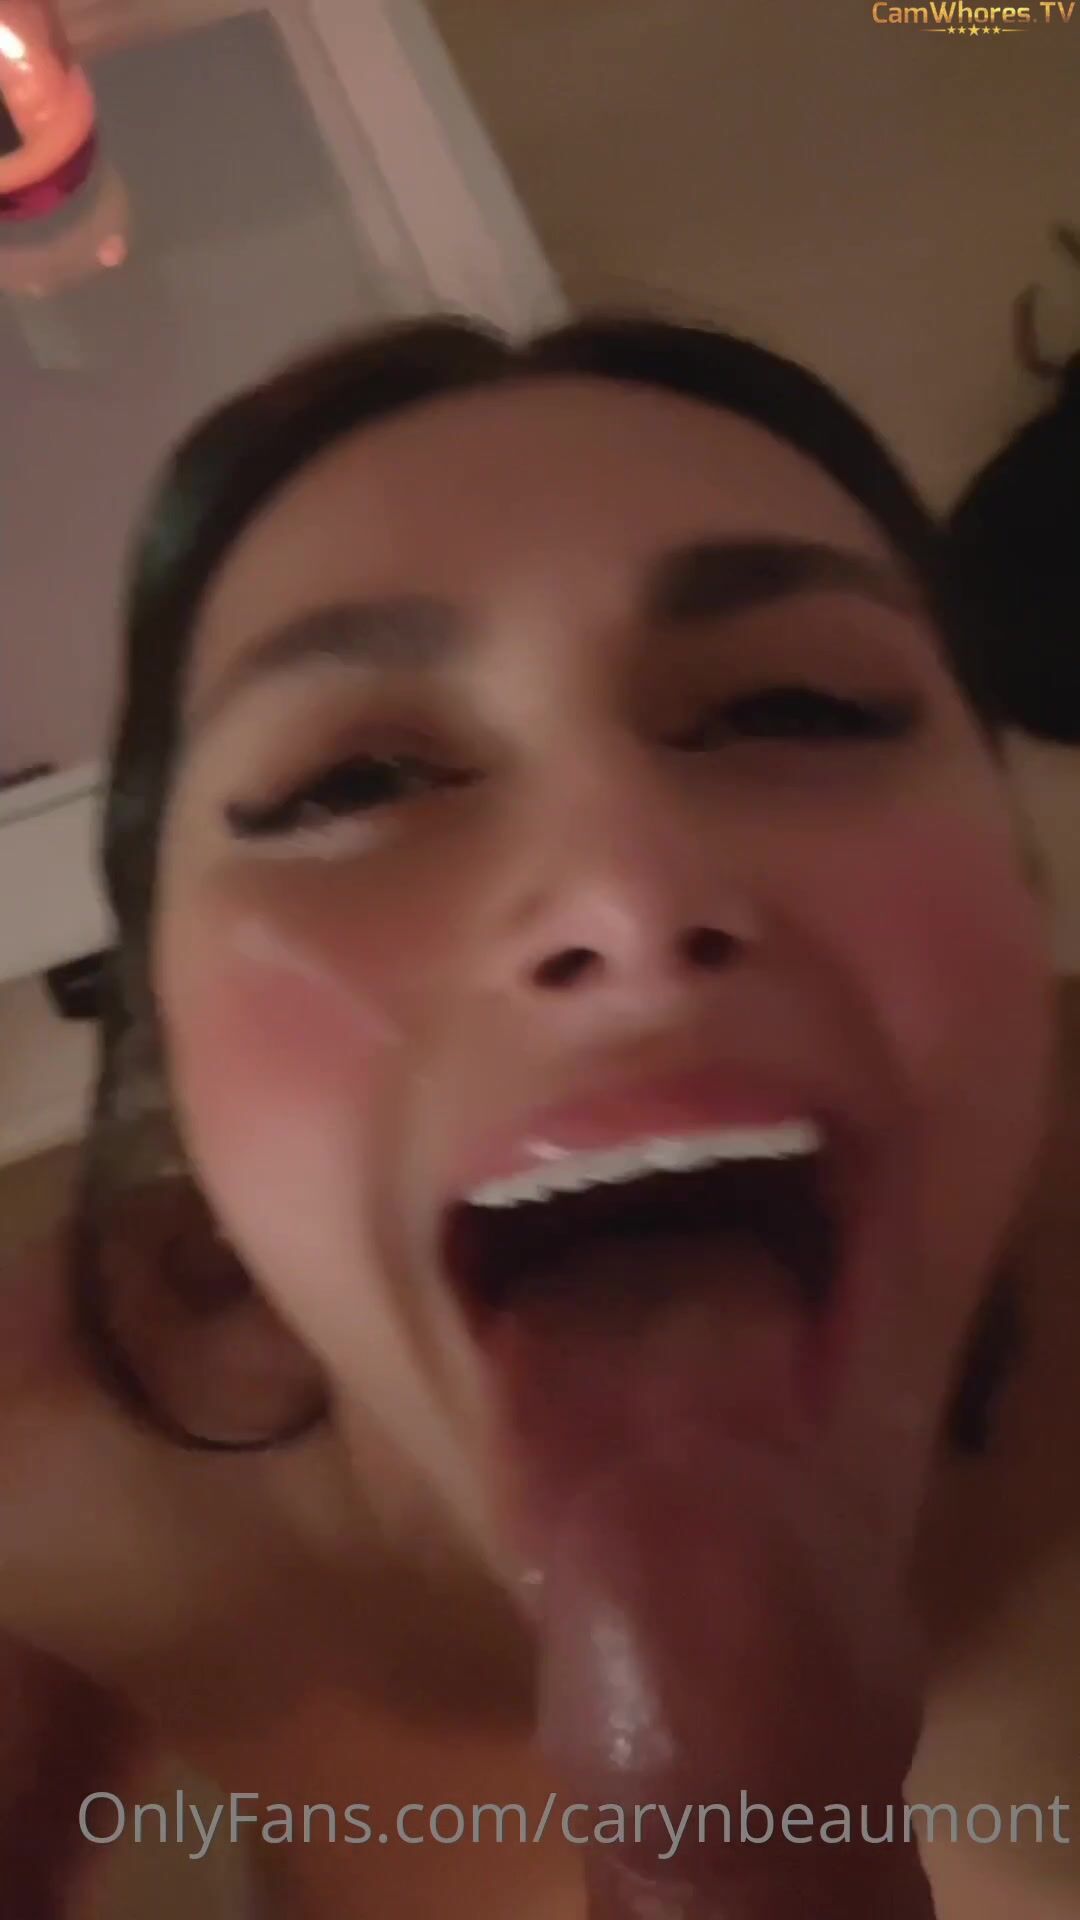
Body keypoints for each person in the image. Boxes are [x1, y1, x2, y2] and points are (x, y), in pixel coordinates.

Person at [0, 313, 1066, 1919]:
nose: (628, 897)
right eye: (354, 785)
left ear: (1021, 871)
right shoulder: (53, 1475)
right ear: (165, 1024)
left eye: (797, 706)